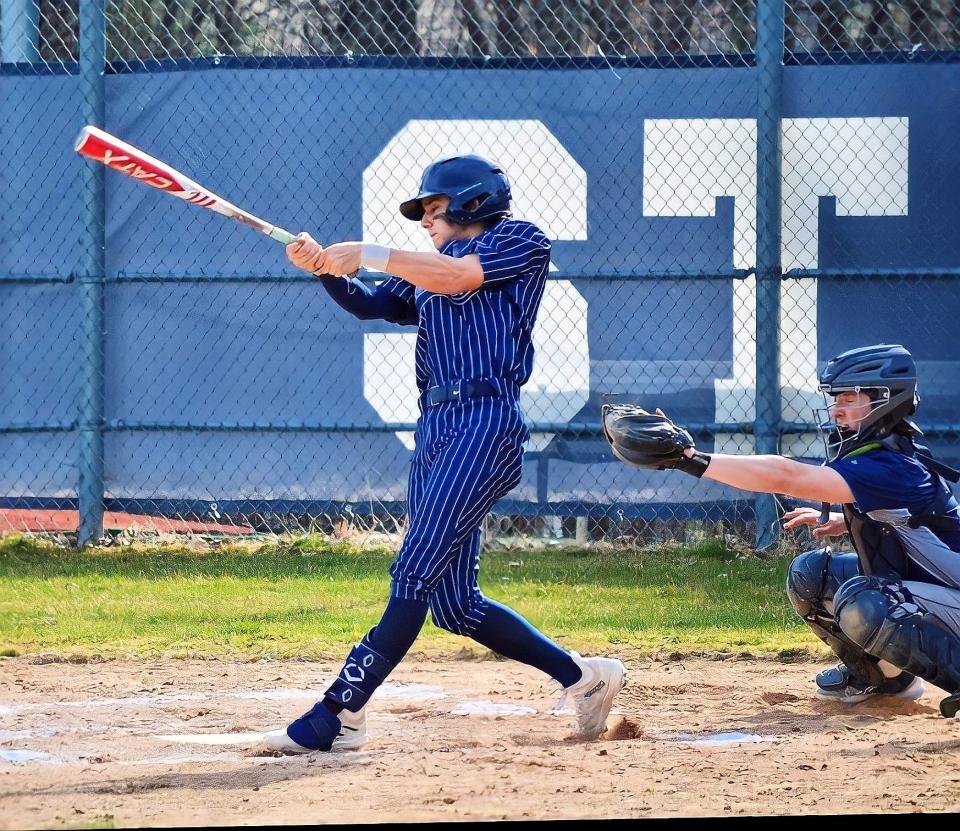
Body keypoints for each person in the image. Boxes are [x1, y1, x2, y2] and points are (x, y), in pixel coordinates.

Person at [264, 155, 626, 752]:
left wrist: (369, 251)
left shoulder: (520, 240)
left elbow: (457, 278)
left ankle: (340, 713)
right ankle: (585, 679)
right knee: (455, 606)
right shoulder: (427, 269)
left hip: (484, 422)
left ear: (472, 204)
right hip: (435, 425)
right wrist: (324, 268)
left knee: (413, 568)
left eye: (433, 210)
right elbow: (373, 304)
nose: (425, 221)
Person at [602, 343, 960, 718]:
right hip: (934, 592)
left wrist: (692, 460)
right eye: (836, 399)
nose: (837, 410)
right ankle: (884, 679)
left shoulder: (892, 466)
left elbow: (786, 475)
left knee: (864, 600)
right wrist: (849, 521)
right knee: (812, 575)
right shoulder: (880, 455)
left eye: (850, 399)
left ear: (886, 402)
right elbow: (915, 526)